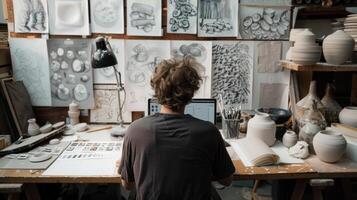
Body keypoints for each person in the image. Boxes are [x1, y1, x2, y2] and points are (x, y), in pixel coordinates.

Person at [119, 58, 235, 200]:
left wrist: (131, 165)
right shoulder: (209, 131)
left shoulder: (135, 130)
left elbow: (127, 185)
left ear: (156, 89)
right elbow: (226, 180)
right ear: (191, 92)